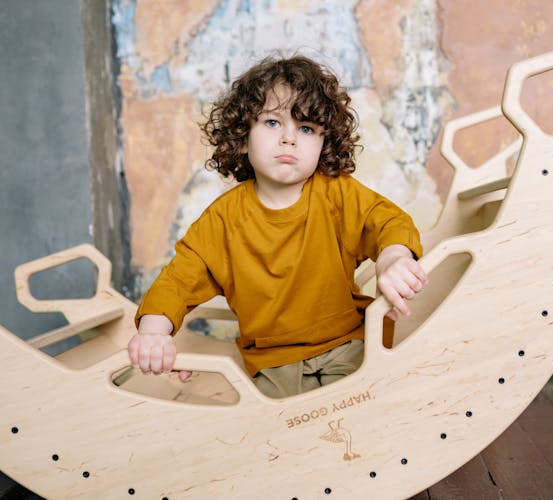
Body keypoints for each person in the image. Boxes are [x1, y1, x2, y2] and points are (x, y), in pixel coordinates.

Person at [127, 54, 428, 398]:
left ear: (323, 143)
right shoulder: (224, 219)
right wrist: (154, 333)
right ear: (242, 136)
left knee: (369, 404)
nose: (289, 138)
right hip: (273, 362)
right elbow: (179, 280)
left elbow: (387, 221)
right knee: (279, 435)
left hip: (348, 343)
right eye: (272, 123)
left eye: (306, 128)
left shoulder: (336, 193)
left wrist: (393, 259)